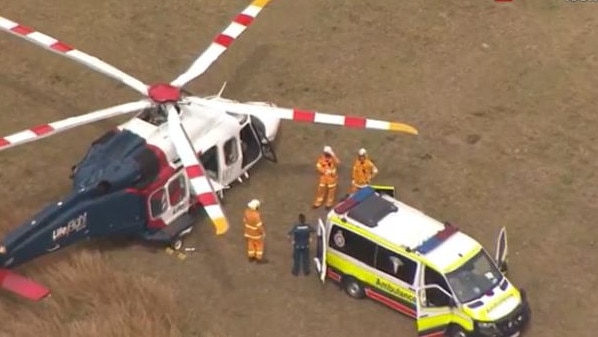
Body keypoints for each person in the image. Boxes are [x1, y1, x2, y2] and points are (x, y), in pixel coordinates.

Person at [243, 199, 266, 263]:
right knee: (259, 245)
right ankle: (258, 258)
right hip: (256, 234)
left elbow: (244, 221)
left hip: (248, 232)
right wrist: (263, 233)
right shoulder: (256, 215)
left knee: (250, 244)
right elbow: (259, 226)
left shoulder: (246, 212)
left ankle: (251, 256)